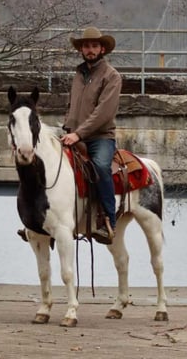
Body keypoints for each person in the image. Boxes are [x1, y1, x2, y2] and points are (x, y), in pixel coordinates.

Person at [61, 26, 122, 244]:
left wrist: (78, 134)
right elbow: (71, 105)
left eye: (94, 46)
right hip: (73, 135)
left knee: (101, 167)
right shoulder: (78, 75)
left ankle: (108, 221)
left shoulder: (112, 76)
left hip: (100, 137)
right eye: (86, 46)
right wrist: (68, 127)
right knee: (46, 162)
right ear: (81, 49)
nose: (90, 50)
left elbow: (103, 113)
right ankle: (44, 219)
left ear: (102, 49)